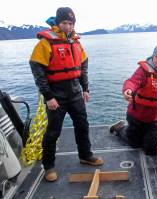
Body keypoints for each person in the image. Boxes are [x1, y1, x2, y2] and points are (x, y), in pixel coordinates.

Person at [30, 7, 103, 182]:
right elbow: (37, 71)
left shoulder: (76, 42)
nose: (68, 27)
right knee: (53, 132)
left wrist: (85, 88)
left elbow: (83, 65)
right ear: (57, 22)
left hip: (75, 92)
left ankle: (85, 155)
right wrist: (48, 96)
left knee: (82, 125)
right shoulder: (45, 43)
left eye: (71, 23)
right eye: (64, 23)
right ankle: (48, 166)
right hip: (56, 94)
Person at [110, 45, 157, 155]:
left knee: (150, 149)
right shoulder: (143, 70)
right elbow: (132, 81)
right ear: (153, 57)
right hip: (137, 115)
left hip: (155, 118)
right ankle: (119, 128)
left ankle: (147, 138)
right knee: (134, 144)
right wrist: (128, 90)